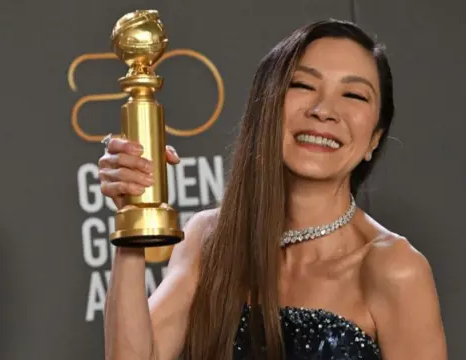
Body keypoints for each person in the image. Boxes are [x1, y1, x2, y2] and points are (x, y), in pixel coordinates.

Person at [98, 19, 447, 360]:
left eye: (354, 95)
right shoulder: (209, 240)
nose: (324, 111)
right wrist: (133, 215)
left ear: (374, 139)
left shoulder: (393, 268)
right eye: (303, 85)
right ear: (266, 105)